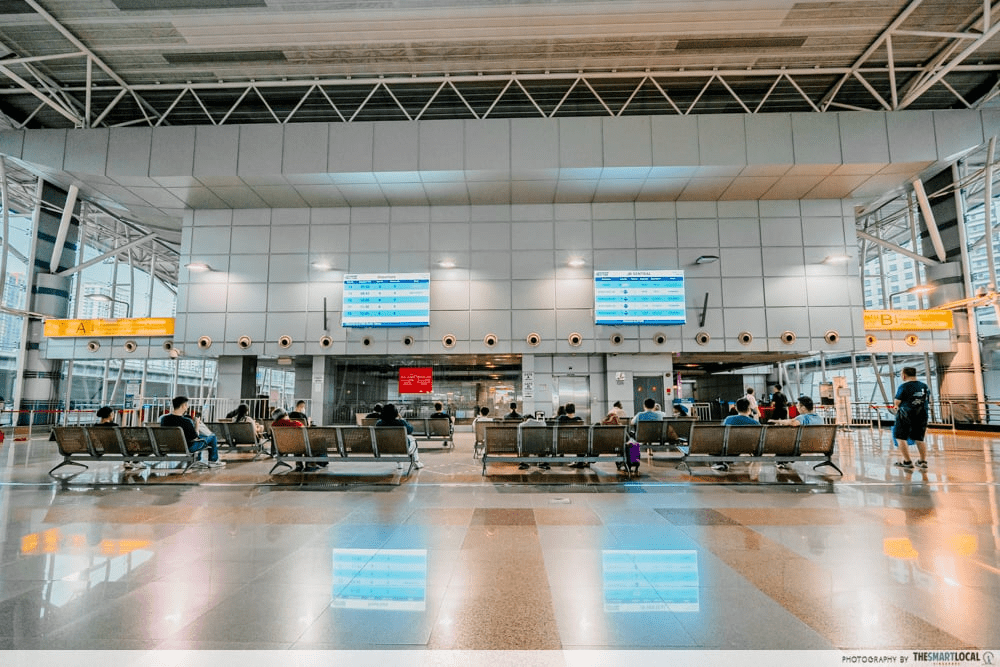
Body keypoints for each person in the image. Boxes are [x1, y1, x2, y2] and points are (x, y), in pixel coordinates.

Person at [161, 396, 223, 467]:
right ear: (183, 406)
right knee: (212, 436)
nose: (187, 407)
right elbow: (195, 437)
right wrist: (197, 424)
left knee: (200, 438)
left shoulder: (164, 419)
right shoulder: (187, 421)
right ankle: (213, 461)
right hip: (187, 447)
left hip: (169, 446)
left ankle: (197, 460)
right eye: (187, 405)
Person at [771, 395, 824, 470]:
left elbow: (794, 423)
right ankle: (786, 459)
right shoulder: (819, 418)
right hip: (817, 445)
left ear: (803, 408)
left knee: (785, 439)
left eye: (798, 406)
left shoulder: (802, 417)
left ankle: (781, 460)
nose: (797, 407)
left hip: (802, 445)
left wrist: (778, 422)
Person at [892, 367, 930, 470]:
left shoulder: (903, 386)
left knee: (900, 437)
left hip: (905, 415)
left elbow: (897, 402)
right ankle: (922, 461)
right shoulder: (924, 386)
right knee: (919, 438)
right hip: (922, 415)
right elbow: (927, 400)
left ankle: (907, 462)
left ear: (904, 375)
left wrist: (896, 406)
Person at [714, 397, 760, 471]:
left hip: (730, 447)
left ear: (736, 408)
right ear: (749, 409)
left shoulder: (728, 419)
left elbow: (721, 434)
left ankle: (721, 462)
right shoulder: (755, 423)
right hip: (749, 447)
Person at [376, 403, 424, 469]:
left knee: (392, 443)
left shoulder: (379, 424)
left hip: (386, 447)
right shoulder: (401, 422)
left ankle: (399, 463)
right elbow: (410, 430)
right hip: (403, 447)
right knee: (412, 439)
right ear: (396, 413)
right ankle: (416, 461)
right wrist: (401, 418)